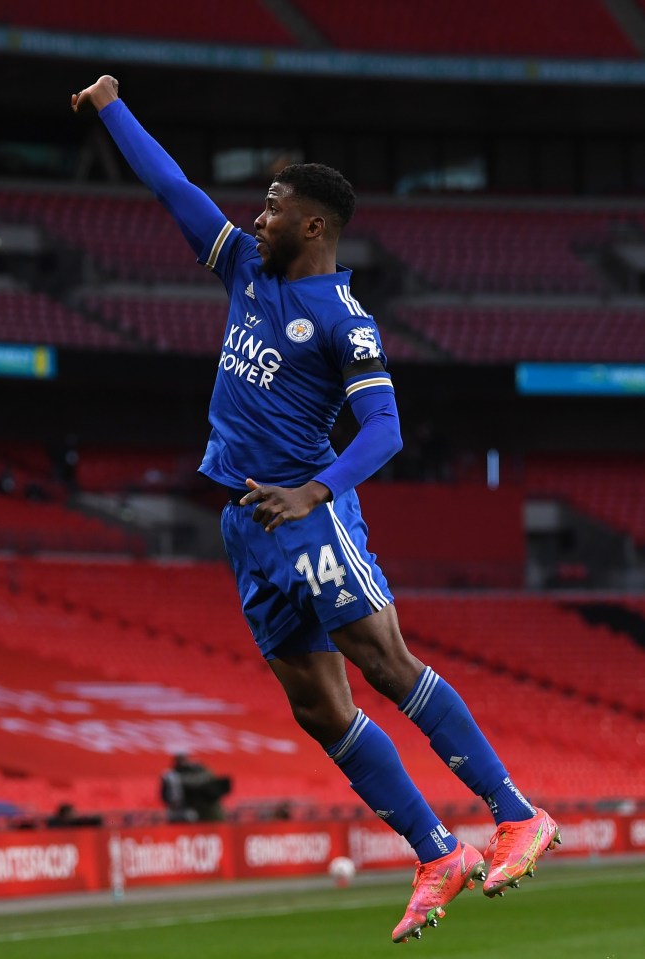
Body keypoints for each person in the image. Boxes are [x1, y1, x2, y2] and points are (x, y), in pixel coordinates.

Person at [72, 76, 560, 944]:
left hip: (307, 512)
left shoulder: (343, 318)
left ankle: (517, 810)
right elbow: (174, 190)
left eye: (269, 206)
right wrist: (112, 106)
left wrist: (317, 488)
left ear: (312, 226)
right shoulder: (243, 271)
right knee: (317, 704)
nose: (253, 216)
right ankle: (435, 850)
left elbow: (386, 426)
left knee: (382, 657)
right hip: (245, 523)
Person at [161, 753, 231, 823]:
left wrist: (177, 778)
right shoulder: (173, 777)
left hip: (209, 816)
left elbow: (205, 779)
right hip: (191, 816)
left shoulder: (200, 772)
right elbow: (170, 799)